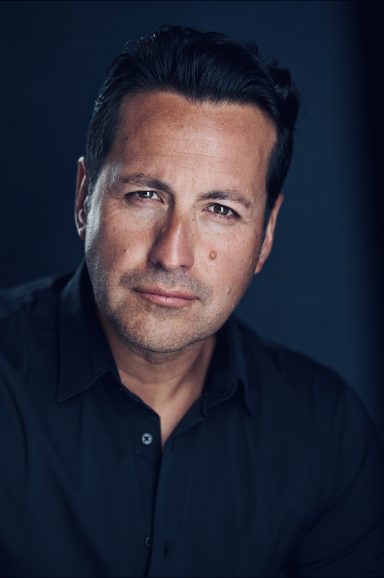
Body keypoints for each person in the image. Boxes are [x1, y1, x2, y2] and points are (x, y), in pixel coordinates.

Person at [0, 25, 383, 578]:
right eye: (146, 195)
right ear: (85, 198)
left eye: (221, 210)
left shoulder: (326, 432)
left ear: (267, 234)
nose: (172, 254)